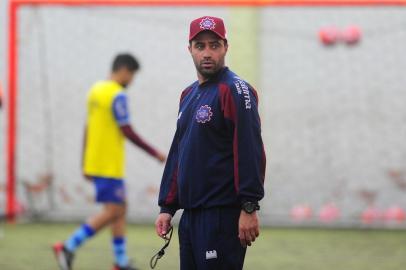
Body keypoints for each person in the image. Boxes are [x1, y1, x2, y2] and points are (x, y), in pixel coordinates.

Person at [155, 16, 266, 270]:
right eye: (200, 45)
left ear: (225, 47)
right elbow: (179, 153)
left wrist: (249, 206)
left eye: (214, 45)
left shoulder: (236, 90)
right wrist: (167, 206)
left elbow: (249, 149)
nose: (207, 53)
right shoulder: (188, 94)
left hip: (222, 216)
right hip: (191, 218)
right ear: (190, 49)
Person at [53, 53, 166, 270]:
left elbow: (88, 127)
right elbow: (128, 131)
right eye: (132, 75)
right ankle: (68, 247)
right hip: (108, 165)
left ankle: (121, 262)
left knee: (120, 209)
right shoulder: (118, 95)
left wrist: (84, 162)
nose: (131, 80)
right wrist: (155, 153)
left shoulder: (95, 90)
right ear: (123, 70)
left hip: (96, 162)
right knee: (114, 211)